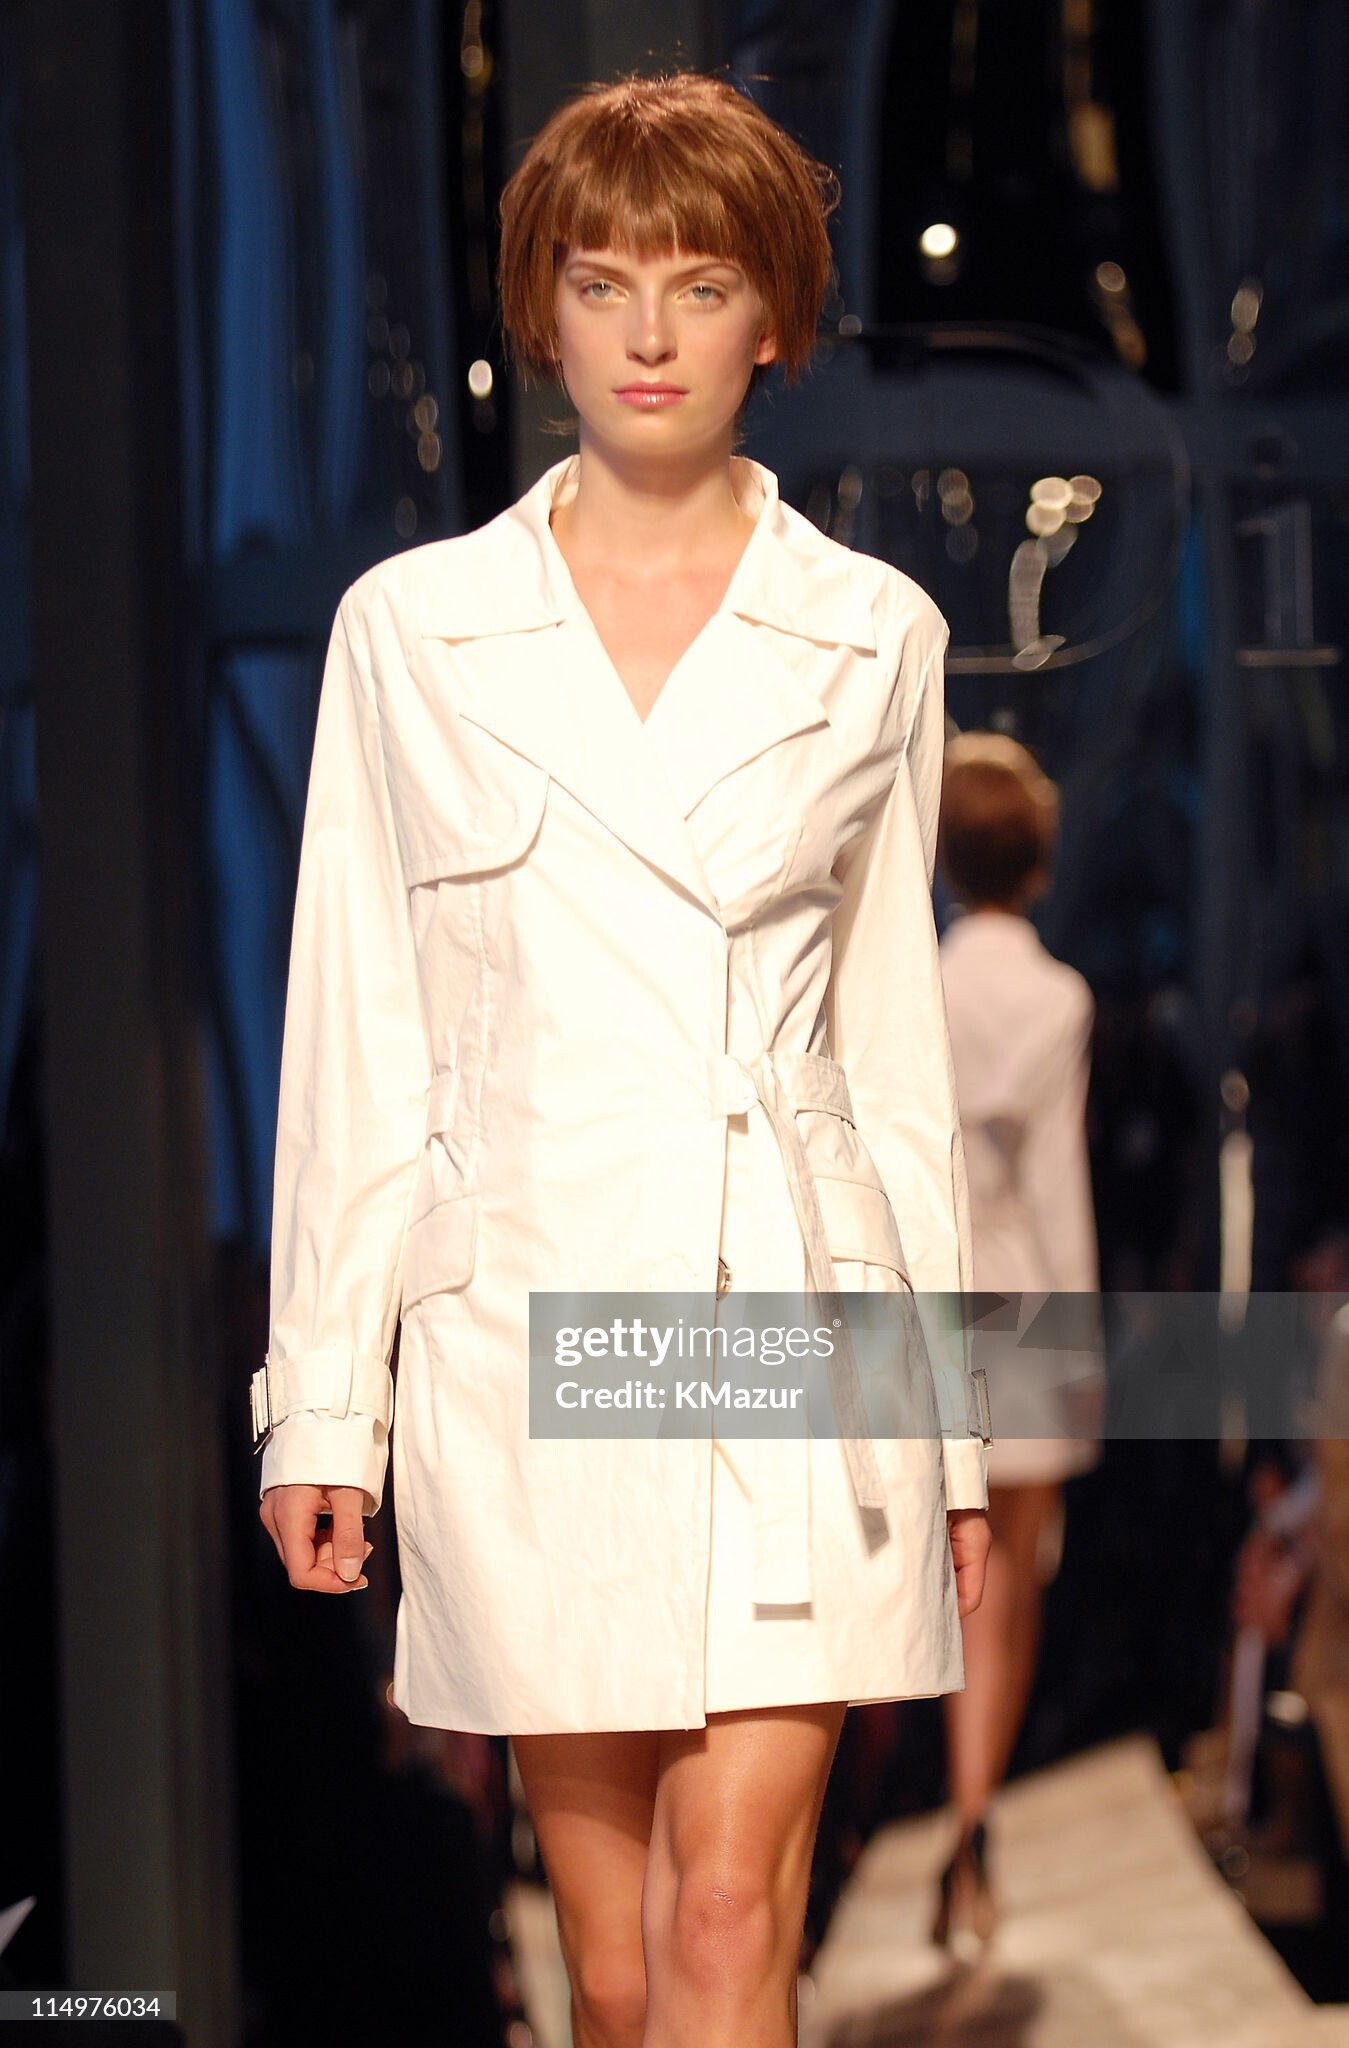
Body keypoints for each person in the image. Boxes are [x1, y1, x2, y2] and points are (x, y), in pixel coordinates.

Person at [254, 71, 991, 2048]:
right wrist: (320, 1407)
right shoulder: (414, 631)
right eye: (600, 282)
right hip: (535, 1328)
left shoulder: (869, 633)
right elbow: (359, 1031)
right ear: (541, 309)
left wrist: (942, 1417)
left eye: (698, 283)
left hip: (784, 1327)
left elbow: (886, 1063)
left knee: (729, 1911)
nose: (647, 333)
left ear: (773, 317)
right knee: (607, 1967)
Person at [931, 731, 1103, 1945]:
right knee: (1008, 1596)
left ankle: (949, 1818)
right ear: (1037, 864)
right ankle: (969, 1822)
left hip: (924, 1308)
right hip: (1027, 1305)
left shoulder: (910, 986)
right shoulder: (1057, 998)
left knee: (945, 1588)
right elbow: (1055, 1190)